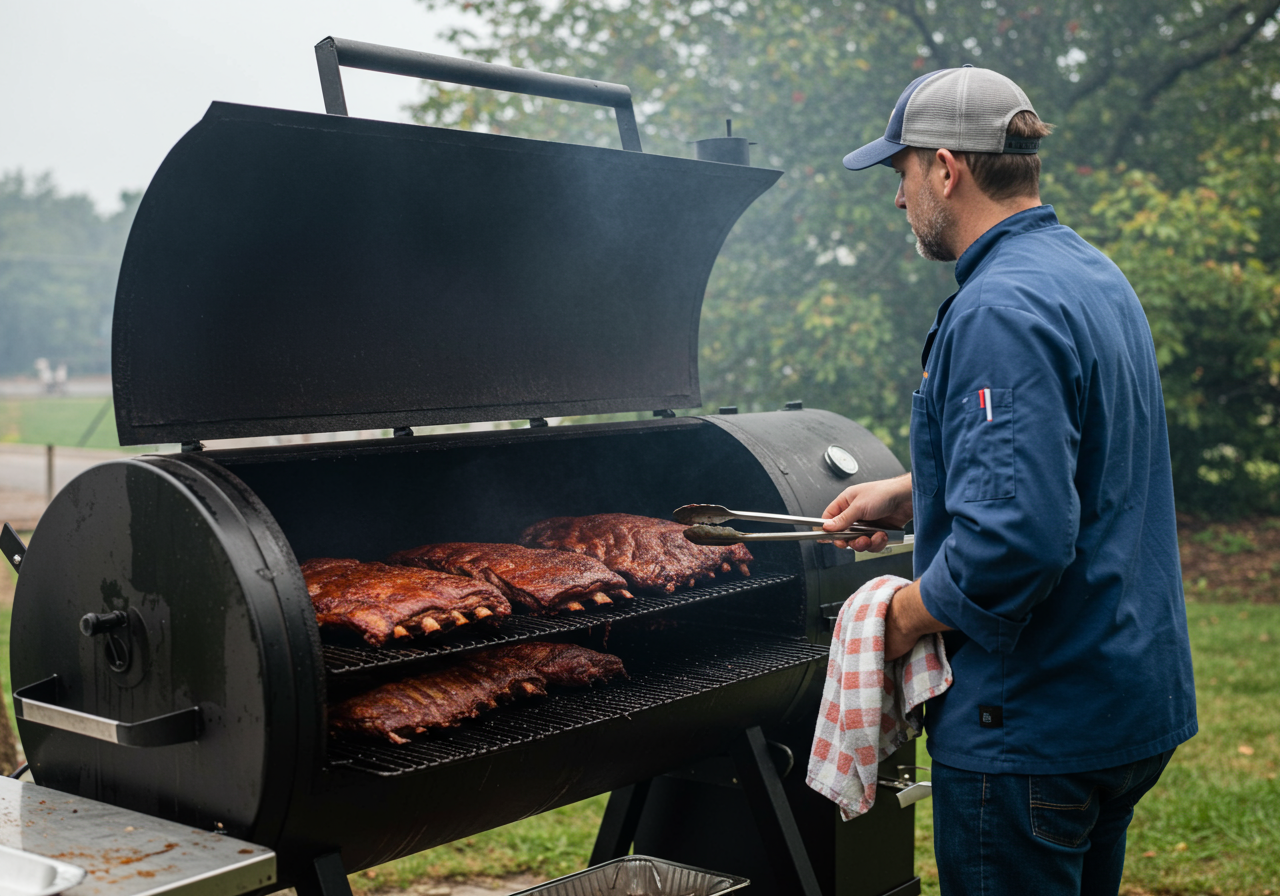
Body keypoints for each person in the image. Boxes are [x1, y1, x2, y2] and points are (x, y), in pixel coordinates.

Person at [821, 66, 1197, 895]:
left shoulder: (1000, 308)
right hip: (1124, 701)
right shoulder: (1090, 274)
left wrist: (897, 619)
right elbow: (1077, 460)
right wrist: (912, 495)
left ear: (946, 169)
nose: (898, 198)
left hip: (1032, 724)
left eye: (902, 171)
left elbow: (1015, 542)